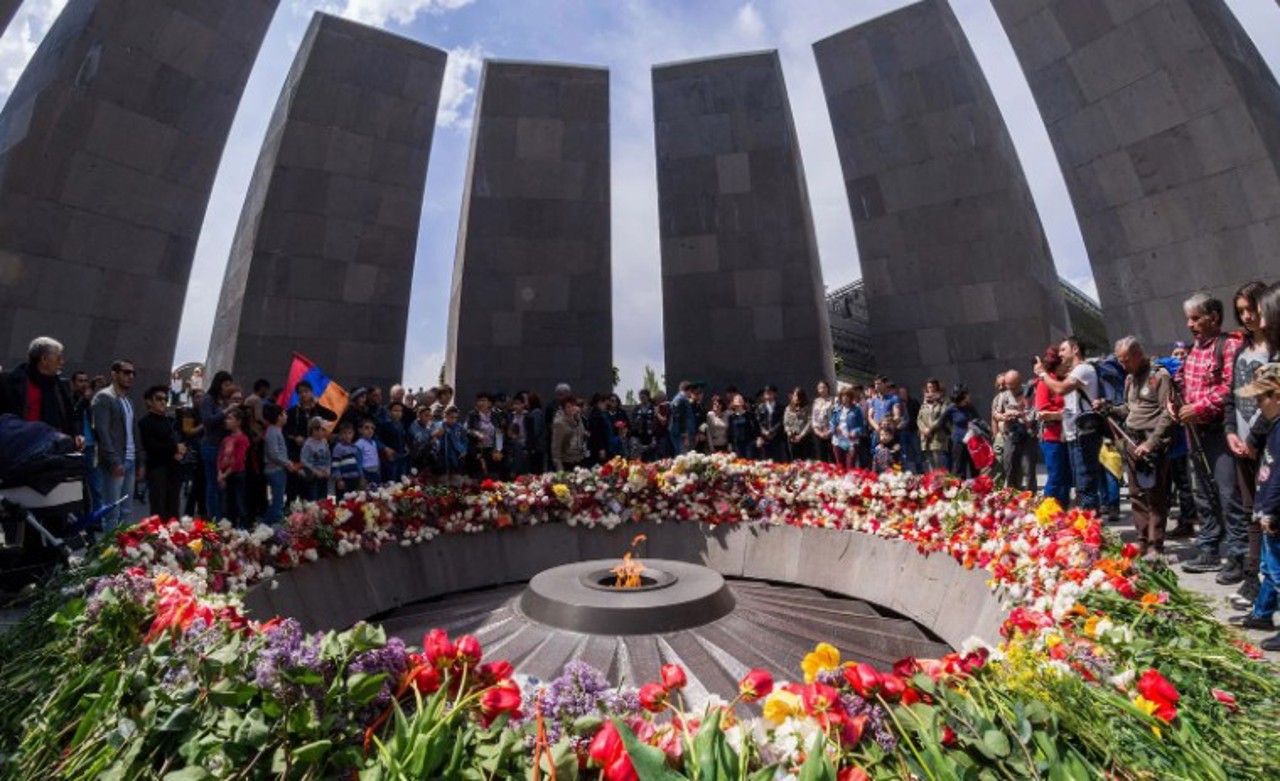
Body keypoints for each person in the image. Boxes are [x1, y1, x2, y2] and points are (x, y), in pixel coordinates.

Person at [1174, 293, 1247, 578]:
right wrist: (1176, 403)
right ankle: (1209, 548)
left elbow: (1230, 387)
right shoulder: (1194, 349)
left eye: (1196, 318)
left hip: (1220, 432)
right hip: (1195, 433)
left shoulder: (1229, 346)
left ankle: (1240, 555)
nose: (1190, 325)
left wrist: (1199, 408)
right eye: (1188, 319)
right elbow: (1184, 383)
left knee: (1229, 494)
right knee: (1203, 493)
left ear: (1214, 317)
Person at [1103, 337, 1174, 558]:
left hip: (1152, 443)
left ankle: (1155, 546)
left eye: (1126, 360)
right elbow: (1129, 409)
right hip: (1131, 441)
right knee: (1136, 495)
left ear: (1138, 355)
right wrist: (1109, 408)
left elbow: (1168, 413)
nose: (1123, 365)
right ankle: (1142, 540)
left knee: (1155, 496)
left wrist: (1151, 443)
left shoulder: (1159, 376)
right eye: (1120, 361)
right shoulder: (1129, 378)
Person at [1223, 281, 1271, 603]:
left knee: (1268, 514)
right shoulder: (1242, 350)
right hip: (1241, 445)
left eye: (1251, 309)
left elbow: (1272, 403)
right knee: (1251, 511)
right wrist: (1230, 432)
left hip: (1267, 445)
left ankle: (1265, 582)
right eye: (1241, 311)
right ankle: (1253, 580)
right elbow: (1232, 396)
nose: (1247, 317)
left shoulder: (1275, 350)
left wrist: (1253, 439)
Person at [1230, 362, 1280, 652]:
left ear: (1277, 396)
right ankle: (1262, 613)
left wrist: (1270, 510)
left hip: (1276, 514)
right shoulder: (1273, 426)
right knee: (1268, 567)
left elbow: (1278, 478)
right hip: (1269, 508)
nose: (1258, 405)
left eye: (1261, 398)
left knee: (1277, 570)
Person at [1035, 336, 1103, 511]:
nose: (1060, 354)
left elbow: (1060, 389)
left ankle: (1089, 522)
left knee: (1085, 484)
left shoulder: (1083, 370)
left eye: (1063, 350)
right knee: (1079, 484)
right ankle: (1083, 520)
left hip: (1084, 434)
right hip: (1074, 435)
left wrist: (1042, 374)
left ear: (1075, 349)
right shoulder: (1074, 373)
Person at [92, 359, 144, 531]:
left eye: (133, 373)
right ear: (114, 374)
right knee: (111, 511)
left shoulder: (128, 401)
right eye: (126, 372)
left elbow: (134, 432)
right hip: (115, 461)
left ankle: (125, 546)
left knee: (127, 511)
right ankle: (110, 546)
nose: (131, 376)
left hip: (130, 459)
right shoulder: (104, 397)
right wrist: (114, 461)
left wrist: (139, 461)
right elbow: (102, 432)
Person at [0, 336, 77, 438]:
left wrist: (75, 436)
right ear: (44, 359)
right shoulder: (9, 382)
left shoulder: (61, 385)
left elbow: (70, 417)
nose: (62, 362)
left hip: (54, 443)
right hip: (21, 442)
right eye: (58, 358)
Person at [139, 385, 184, 520]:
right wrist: (175, 448)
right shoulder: (145, 422)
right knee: (158, 508)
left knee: (173, 507)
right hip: (157, 469)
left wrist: (179, 450)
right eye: (159, 399)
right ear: (150, 401)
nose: (163, 402)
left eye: (165, 399)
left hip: (173, 468)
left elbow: (174, 441)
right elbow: (151, 446)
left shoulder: (168, 420)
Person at [1033, 347, 1071, 508]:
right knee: (1055, 477)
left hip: (1067, 435)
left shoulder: (1066, 381)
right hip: (1052, 437)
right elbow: (1042, 410)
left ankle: (1063, 510)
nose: (1067, 365)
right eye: (1063, 362)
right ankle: (1048, 512)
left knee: (1067, 478)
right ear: (1056, 365)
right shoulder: (1045, 383)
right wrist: (1065, 413)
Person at [993, 370, 1036, 492]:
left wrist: (1020, 414)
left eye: (1014, 387)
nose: (1011, 390)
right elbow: (996, 414)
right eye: (1008, 386)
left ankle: (1031, 494)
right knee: (1009, 465)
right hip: (1010, 434)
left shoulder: (1030, 393)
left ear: (1020, 383)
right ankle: (1013, 493)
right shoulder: (1003, 396)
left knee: (1028, 469)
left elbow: (1035, 414)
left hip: (1028, 434)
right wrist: (1004, 416)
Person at [200, 371, 234, 519]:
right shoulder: (208, 399)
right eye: (226, 384)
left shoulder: (223, 400)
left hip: (223, 446)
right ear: (218, 384)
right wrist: (226, 412)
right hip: (211, 446)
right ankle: (213, 516)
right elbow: (207, 420)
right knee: (213, 483)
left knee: (221, 483)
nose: (228, 387)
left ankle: (220, 515)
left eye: (230, 384)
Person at [262, 405, 296, 524]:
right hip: (275, 470)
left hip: (278, 469)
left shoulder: (276, 431)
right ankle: (268, 523)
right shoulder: (272, 432)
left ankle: (270, 522)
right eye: (284, 414)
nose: (286, 416)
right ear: (278, 417)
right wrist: (287, 463)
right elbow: (274, 454)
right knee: (278, 500)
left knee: (278, 498)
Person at [217, 408, 250, 526]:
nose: (226, 421)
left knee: (239, 502)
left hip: (236, 474)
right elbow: (220, 457)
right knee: (227, 503)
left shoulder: (242, 439)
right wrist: (220, 473)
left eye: (230, 419)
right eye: (227, 418)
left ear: (238, 422)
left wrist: (224, 475)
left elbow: (238, 460)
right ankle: (230, 526)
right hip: (225, 474)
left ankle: (243, 526)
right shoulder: (226, 439)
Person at [941, 385, 979, 479]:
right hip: (958, 441)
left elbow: (978, 420)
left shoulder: (970, 407)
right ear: (963, 396)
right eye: (967, 394)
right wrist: (950, 433)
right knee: (960, 468)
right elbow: (941, 423)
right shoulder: (951, 408)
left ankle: (977, 486)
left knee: (975, 468)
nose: (969, 396)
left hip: (972, 441)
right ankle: (960, 486)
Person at [467, 393, 504, 477]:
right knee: (478, 475)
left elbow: (499, 433)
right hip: (478, 449)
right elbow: (468, 430)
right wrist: (477, 434)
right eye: (479, 401)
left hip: (492, 449)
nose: (481, 403)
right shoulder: (473, 415)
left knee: (493, 475)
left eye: (484, 400)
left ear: (490, 403)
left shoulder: (496, 416)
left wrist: (498, 450)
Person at [917, 379, 949, 471]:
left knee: (938, 462)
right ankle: (932, 479)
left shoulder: (943, 401)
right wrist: (924, 430)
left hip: (938, 436)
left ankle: (941, 479)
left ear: (937, 388)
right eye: (929, 387)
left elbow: (942, 417)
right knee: (929, 463)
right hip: (926, 437)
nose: (930, 389)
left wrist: (930, 429)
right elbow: (919, 419)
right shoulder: (925, 402)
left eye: (933, 387)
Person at [830, 387, 865, 469]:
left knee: (850, 466)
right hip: (838, 441)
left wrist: (855, 432)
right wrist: (835, 429)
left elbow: (861, 426)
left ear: (851, 397)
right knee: (840, 466)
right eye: (843, 396)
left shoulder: (857, 410)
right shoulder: (837, 409)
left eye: (847, 396)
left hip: (851, 442)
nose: (845, 398)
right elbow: (831, 423)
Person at [298, 417, 332, 501]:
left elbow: (328, 457)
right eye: (317, 429)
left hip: (324, 474)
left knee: (323, 498)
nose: (320, 432)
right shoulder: (308, 444)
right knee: (314, 497)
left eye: (322, 429)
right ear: (312, 430)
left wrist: (328, 469)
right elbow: (303, 460)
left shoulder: (324, 442)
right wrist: (315, 471)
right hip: (313, 476)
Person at [433, 405, 471, 478]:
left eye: (456, 418)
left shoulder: (459, 427)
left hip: (457, 455)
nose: (454, 420)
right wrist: (436, 435)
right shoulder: (437, 425)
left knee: (456, 478)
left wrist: (464, 450)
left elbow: (464, 440)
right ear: (445, 416)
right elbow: (432, 439)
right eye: (451, 417)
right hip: (442, 456)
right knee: (443, 478)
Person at [551, 397, 587, 471]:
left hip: (580, 459)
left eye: (573, 405)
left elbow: (582, 433)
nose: (572, 409)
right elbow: (556, 447)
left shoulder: (578, 419)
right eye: (568, 407)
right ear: (564, 409)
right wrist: (559, 468)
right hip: (567, 461)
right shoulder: (559, 423)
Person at [378, 401, 409, 482]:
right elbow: (377, 439)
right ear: (389, 412)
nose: (398, 413)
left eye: (400, 411)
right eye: (395, 410)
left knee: (402, 481)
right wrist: (385, 448)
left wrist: (405, 445)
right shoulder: (384, 424)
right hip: (390, 458)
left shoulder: (401, 424)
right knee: (391, 482)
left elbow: (402, 438)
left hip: (401, 457)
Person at [896, 384, 924, 473]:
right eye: (900, 393)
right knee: (903, 452)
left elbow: (920, 416)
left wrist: (920, 428)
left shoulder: (914, 402)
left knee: (917, 452)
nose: (902, 395)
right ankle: (905, 472)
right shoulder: (897, 404)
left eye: (904, 393)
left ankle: (920, 472)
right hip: (902, 431)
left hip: (913, 430)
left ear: (908, 393)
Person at [755, 385, 786, 461]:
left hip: (777, 437)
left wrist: (772, 431)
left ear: (774, 394)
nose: (768, 396)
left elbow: (781, 421)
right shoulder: (760, 407)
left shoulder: (780, 407)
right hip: (765, 438)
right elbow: (758, 422)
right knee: (765, 460)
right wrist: (764, 431)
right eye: (766, 394)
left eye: (770, 393)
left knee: (778, 459)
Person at [726, 393, 759, 460]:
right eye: (736, 399)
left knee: (749, 461)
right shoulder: (731, 417)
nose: (738, 400)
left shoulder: (750, 415)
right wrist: (729, 443)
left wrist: (758, 438)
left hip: (749, 443)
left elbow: (756, 427)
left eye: (740, 399)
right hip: (737, 444)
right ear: (733, 402)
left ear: (743, 402)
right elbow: (730, 431)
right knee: (739, 461)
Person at [784, 387, 812, 461]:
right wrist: (789, 432)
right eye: (794, 395)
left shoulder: (807, 408)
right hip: (792, 437)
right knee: (793, 460)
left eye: (797, 395)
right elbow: (786, 423)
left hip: (804, 437)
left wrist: (801, 435)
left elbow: (810, 422)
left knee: (804, 460)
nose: (796, 398)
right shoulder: (788, 408)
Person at [811, 380, 835, 463]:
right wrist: (817, 431)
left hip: (830, 432)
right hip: (819, 432)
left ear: (828, 388)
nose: (822, 389)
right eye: (819, 388)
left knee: (832, 457)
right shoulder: (816, 401)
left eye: (824, 387)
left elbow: (836, 417)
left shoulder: (834, 400)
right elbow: (814, 417)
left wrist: (829, 431)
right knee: (821, 457)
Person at [355, 418, 382, 486]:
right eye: (366, 428)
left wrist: (378, 470)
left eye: (372, 428)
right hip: (366, 472)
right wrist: (361, 476)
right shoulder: (359, 444)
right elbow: (358, 462)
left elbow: (376, 456)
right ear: (360, 430)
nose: (370, 431)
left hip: (375, 471)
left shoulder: (373, 442)